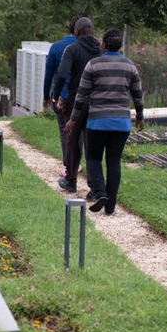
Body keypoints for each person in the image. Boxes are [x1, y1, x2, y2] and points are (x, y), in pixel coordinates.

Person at [65, 29, 144, 214]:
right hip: (122, 122)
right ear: (120, 46)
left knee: (93, 158)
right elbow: (137, 94)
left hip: (98, 122)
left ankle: (100, 192)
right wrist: (140, 116)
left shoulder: (93, 65)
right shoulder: (130, 66)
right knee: (114, 161)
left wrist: (73, 120)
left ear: (103, 45)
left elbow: (81, 95)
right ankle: (110, 207)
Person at [52, 17, 101, 193]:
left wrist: (58, 96)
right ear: (92, 31)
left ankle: (71, 180)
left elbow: (62, 74)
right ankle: (94, 186)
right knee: (92, 143)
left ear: (77, 33)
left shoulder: (72, 49)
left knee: (72, 140)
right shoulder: (100, 51)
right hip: (96, 103)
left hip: (75, 102)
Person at [42, 16, 79, 177]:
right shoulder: (86, 49)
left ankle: (68, 165)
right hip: (81, 97)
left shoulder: (56, 47)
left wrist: (46, 96)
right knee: (80, 131)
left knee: (65, 130)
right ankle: (76, 163)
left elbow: (49, 74)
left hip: (61, 97)